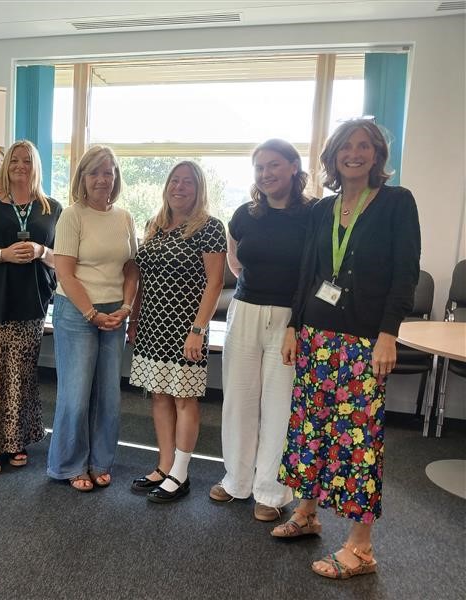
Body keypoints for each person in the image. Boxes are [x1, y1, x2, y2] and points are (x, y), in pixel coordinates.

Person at [272, 119, 420, 579]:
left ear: (377, 155)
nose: (354, 154)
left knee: (358, 441)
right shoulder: (323, 209)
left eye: (364, 146)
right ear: (333, 157)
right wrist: (294, 325)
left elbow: (405, 274)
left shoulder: (397, 202)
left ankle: (361, 547)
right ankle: (306, 513)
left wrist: (389, 333)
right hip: (316, 337)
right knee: (309, 429)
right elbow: (308, 272)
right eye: (345, 147)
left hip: (364, 341)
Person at [209, 140, 313, 520]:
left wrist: (297, 324)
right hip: (245, 312)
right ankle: (236, 480)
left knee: (279, 407)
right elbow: (235, 261)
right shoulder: (245, 214)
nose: (266, 174)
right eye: (259, 167)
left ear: (293, 167)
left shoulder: (313, 214)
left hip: (290, 319)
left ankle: (270, 492)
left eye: (274, 165)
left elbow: (315, 272)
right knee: (238, 400)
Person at [127, 161, 226, 502]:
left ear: (199, 190)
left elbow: (215, 283)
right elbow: (142, 278)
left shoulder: (210, 227)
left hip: (187, 328)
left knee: (184, 398)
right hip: (152, 325)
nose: (179, 187)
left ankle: (180, 474)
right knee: (158, 395)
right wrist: (134, 320)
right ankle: (164, 466)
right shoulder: (154, 225)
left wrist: (198, 330)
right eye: (174, 181)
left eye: (188, 183)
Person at [0, 140, 61, 474]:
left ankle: (17, 440)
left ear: (36, 166)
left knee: (22, 374)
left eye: (27, 161)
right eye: (15, 160)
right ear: (6, 165)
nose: (20, 166)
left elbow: (62, 259)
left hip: (33, 301)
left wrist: (40, 250)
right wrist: (2, 254)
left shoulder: (52, 208)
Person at [47, 146, 138, 492]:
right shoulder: (72, 216)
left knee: (108, 395)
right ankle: (69, 464)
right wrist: (92, 314)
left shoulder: (124, 217)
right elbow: (65, 273)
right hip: (77, 311)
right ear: (82, 178)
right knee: (76, 394)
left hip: (114, 312)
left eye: (108, 172)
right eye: (94, 173)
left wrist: (126, 308)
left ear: (116, 177)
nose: (102, 179)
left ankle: (100, 461)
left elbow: (131, 269)